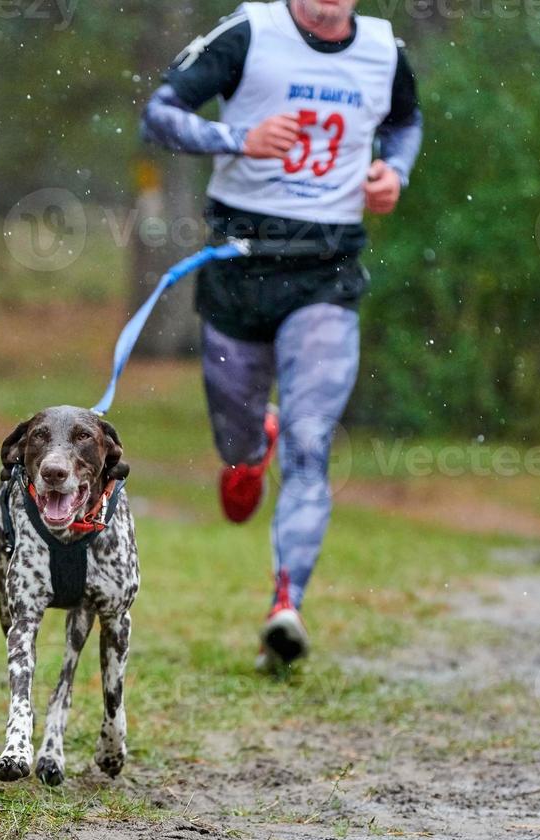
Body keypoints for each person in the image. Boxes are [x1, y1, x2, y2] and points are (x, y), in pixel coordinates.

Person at [141, 0, 423, 672]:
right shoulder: (250, 33)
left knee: (310, 439)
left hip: (326, 272)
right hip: (238, 267)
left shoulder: (384, 51)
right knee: (239, 448)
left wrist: (395, 172)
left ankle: (285, 604)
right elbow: (159, 115)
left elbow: (407, 121)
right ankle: (246, 453)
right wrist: (238, 137)